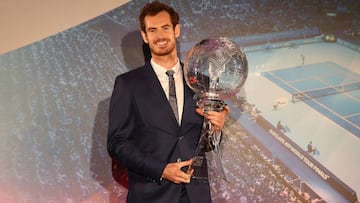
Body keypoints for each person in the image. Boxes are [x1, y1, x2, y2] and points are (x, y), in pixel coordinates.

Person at [107, 1, 230, 203]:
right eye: (152, 30)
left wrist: (216, 129)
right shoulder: (128, 84)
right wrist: (162, 170)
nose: (160, 36)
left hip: (195, 195)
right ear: (145, 36)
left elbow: (206, 144)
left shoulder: (200, 82)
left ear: (176, 30)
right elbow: (117, 144)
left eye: (165, 28)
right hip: (151, 195)